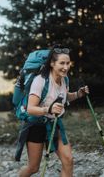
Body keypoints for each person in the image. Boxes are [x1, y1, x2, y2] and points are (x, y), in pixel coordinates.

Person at [18, 44, 89, 177]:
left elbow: (64, 97)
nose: (66, 67)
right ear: (52, 63)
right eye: (62, 63)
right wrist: (48, 109)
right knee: (33, 168)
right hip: (36, 125)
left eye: (68, 63)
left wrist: (78, 94)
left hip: (55, 124)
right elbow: (30, 108)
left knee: (68, 160)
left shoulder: (64, 79)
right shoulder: (40, 81)